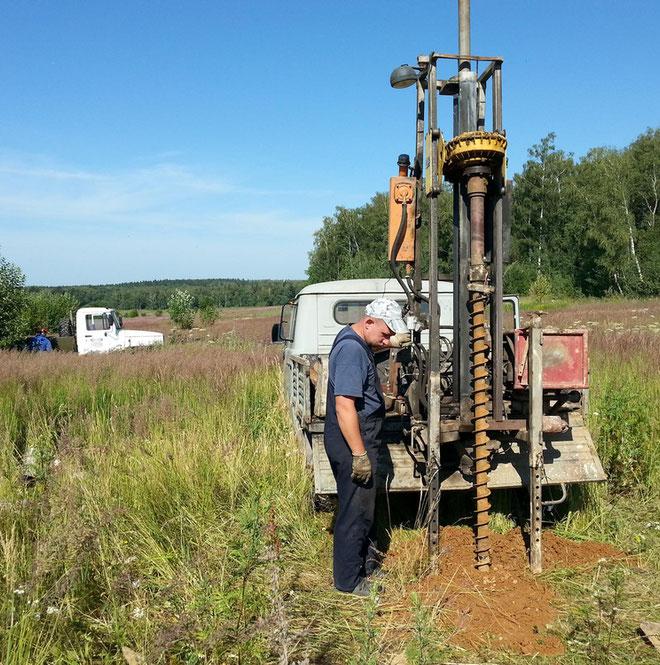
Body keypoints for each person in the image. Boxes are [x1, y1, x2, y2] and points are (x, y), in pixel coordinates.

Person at [324, 298, 410, 596]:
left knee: (364, 506)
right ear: (369, 321)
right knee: (355, 510)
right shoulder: (350, 351)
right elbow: (345, 406)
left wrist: (391, 342)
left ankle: (367, 565)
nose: (387, 340)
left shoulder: (357, 340)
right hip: (352, 441)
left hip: (359, 437)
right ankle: (348, 581)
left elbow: (372, 347)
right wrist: (359, 454)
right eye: (386, 333)